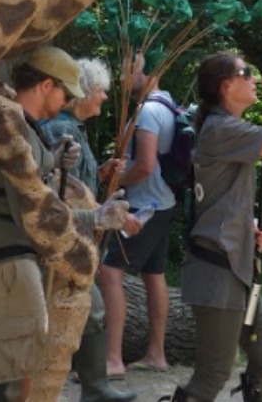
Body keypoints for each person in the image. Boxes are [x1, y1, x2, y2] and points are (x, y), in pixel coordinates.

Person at [0, 45, 129, 402]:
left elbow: (21, 181)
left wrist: (53, 159)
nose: (66, 101)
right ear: (46, 85)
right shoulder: (11, 123)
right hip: (7, 267)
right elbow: (31, 210)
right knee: (22, 376)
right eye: (65, 92)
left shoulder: (13, 122)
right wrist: (96, 217)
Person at [163, 52, 262, 402]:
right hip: (216, 269)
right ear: (226, 85)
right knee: (212, 375)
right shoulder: (222, 128)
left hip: (234, 265)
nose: (255, 79)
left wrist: (248, 225)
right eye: (247, 74)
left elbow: (219, 199)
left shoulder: (223, 128)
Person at [40, 57, 137, 402]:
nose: (104, 98)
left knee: (90, 309)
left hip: (75, 234)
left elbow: (75, 183)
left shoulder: (74, 129)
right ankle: (94, 388)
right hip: (64, 237)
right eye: (100, 91)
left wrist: (103, 171)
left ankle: (94, 387)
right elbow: (57, 191)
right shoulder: (59, 130)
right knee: (90, 309)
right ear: (83, 93)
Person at [98, 53, 178, 377]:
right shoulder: (168, 105)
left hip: (147, 207)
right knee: (154, 274)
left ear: (148, 71)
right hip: (165, 203)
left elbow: (144, 166)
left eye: (128, 70)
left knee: (109, 272)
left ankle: (113, 360)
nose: (122, 79)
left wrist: (115, 179)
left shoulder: (147, 112)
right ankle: (156, 354)